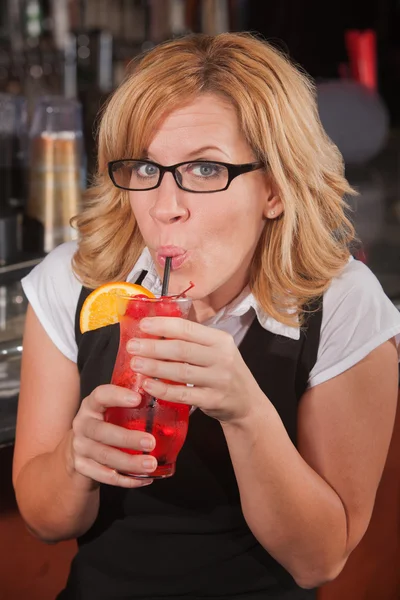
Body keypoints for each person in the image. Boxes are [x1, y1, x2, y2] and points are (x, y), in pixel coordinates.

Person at [13, 32, 400, 600]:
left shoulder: (343, 303)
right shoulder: (75, 283)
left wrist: (245, 412)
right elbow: (46, 523)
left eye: (203, 170)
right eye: (146, 167)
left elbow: (319, 561)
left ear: (274, 188)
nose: (166, 206)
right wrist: (75, 459)